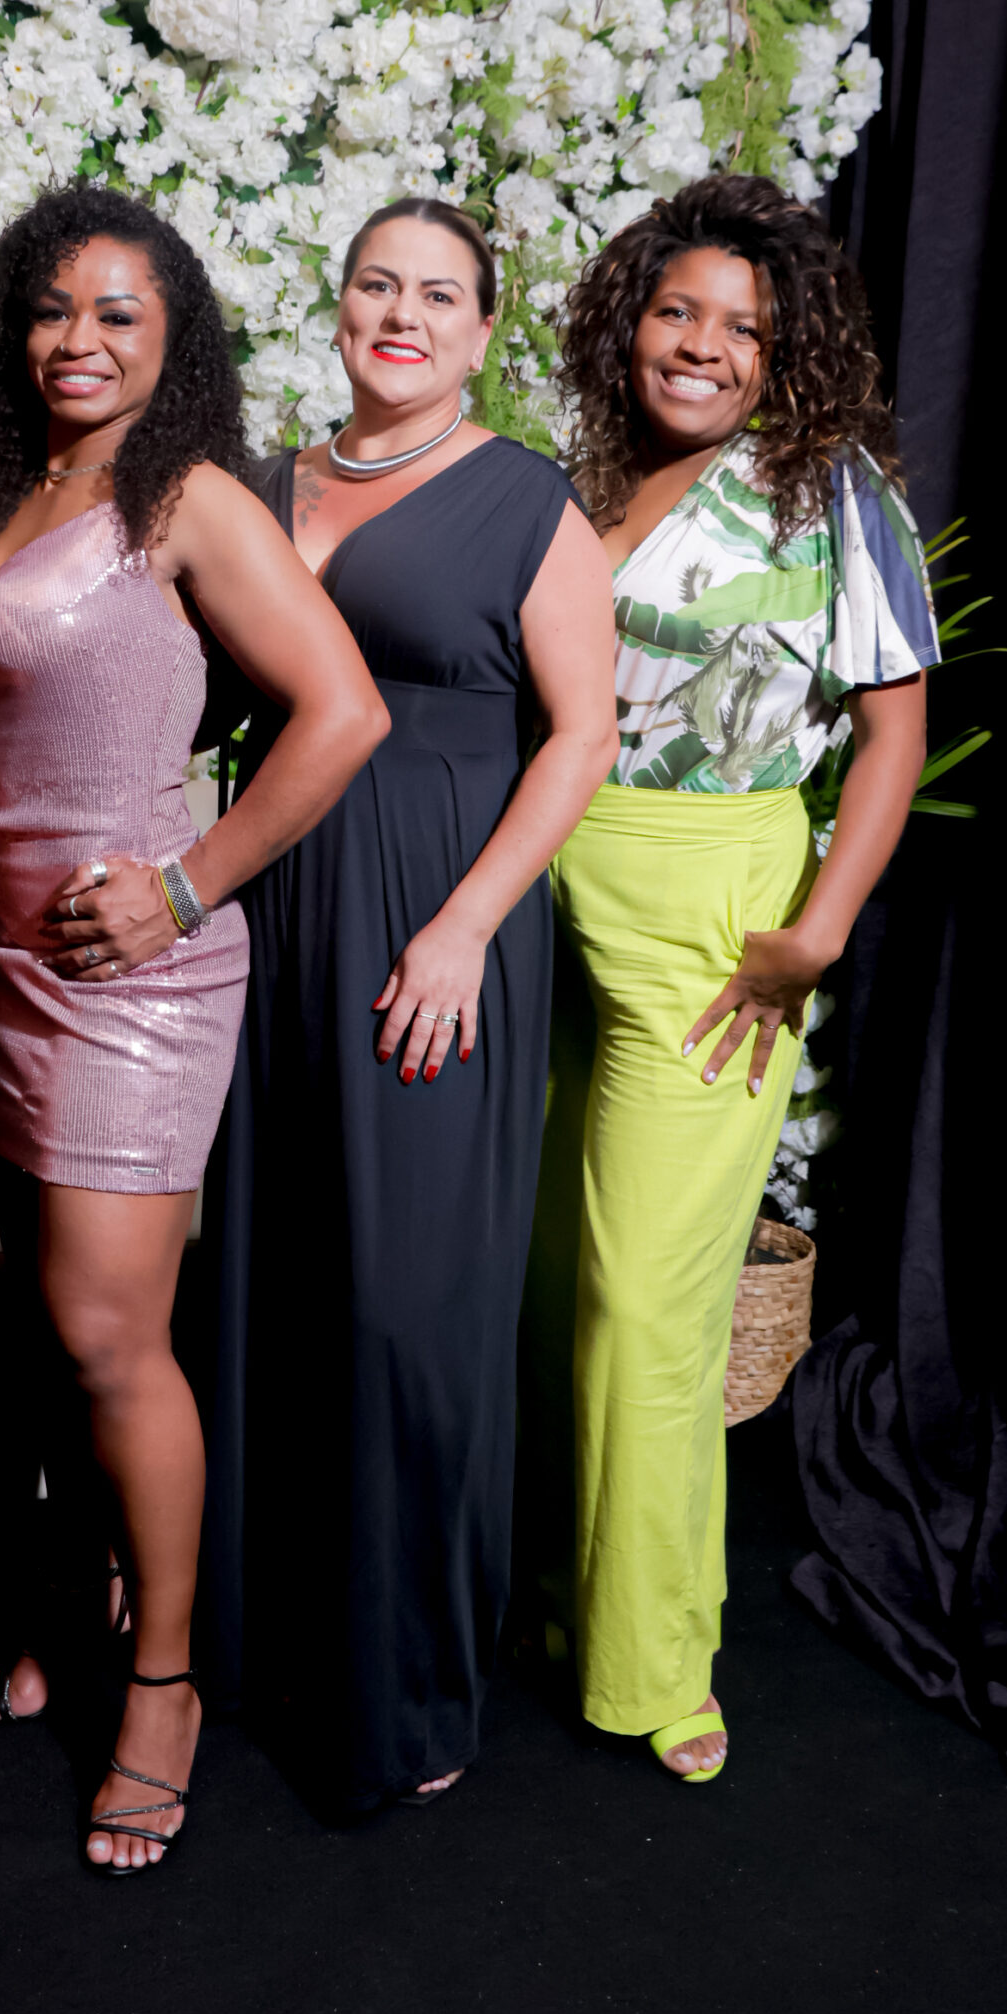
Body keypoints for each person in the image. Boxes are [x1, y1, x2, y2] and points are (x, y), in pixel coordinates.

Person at [0, 186, 387, 1877]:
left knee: (109, 1332)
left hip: (133, 972)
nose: (80, 338)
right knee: (54, 1337)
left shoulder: (187, 497)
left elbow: (342, 709)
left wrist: (186, 890)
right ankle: (83, 1593)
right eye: (54, 308)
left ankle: (165, 1684)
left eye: (119, 313)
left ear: (172, 336)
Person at [522, 173, 940, 1787]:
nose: (701, 345)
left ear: (787, 355)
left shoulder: (828, 491)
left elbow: (891, 734)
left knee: (653, 1303)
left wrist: (817, 932)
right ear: (629, 321)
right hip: (542, 891)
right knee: (552, 1277)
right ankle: (561, 1597)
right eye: (677, 311)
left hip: (711, 915)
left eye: (742, 329)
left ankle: (656, 1656)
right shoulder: (580, 477)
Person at [203, 197, 617, 1814]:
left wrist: (464, 929)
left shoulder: (528, 502)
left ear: (484, 332)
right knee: (277, 1280)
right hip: (272, 919)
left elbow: (580, 735)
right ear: (339, 306)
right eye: (378, 284)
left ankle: (416, 1684)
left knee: (409, 1312)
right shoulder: (257, 487)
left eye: (440, 295)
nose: (403, 314)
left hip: (437, 929)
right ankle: (269, 1645)